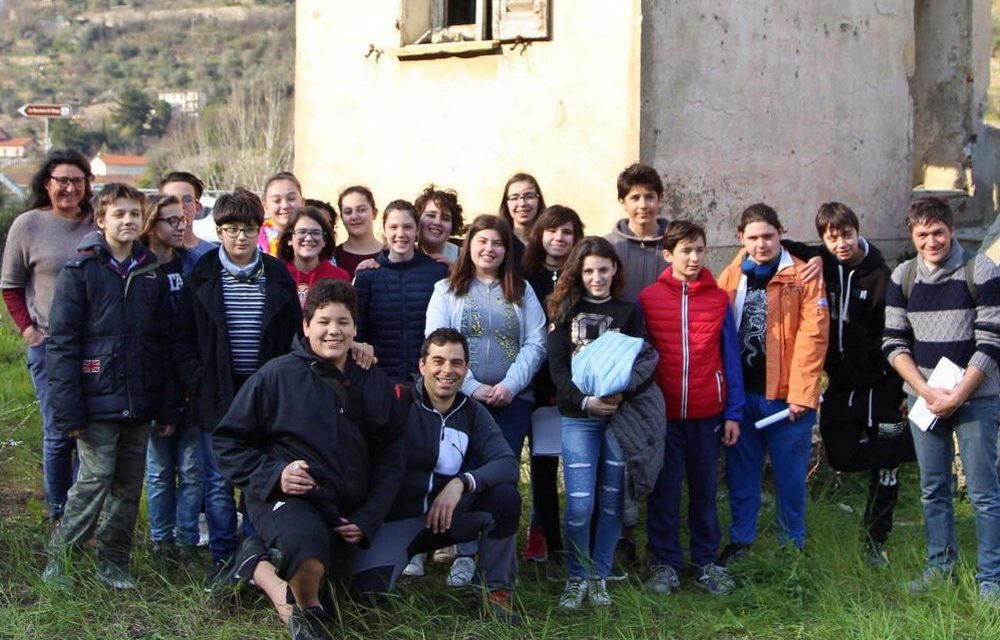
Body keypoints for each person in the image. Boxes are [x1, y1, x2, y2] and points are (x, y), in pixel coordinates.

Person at [213, 280, 405, 640]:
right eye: (323, 322)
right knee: (307, 557)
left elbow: (392, 455)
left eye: (343, 322)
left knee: (346, 590)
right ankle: (306, 617)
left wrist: (368, 517)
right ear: (306, 326)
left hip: (347, 508)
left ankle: (256, 564)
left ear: (355, 327)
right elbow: (227, 442)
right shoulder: (275, 376)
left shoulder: (373, 380)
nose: (334, 331)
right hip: (289, 497)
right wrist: (275, 474)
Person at [41, 183, 178, 589]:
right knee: (94, 477)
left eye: (134, 213)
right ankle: (63, 560)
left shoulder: (152, 273)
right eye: (119, 214)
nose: (128, 220)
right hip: (95, 396)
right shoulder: (80, 271)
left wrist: (167, 405)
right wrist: (68, 409)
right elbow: (62, 343)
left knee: (128, 485)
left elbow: (165, 344)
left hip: (140, 399)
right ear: (101, 220)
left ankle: (114, 561)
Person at [352, 328, 521, 623]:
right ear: (422, 365)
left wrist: (462, 482)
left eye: (456, 363)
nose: (447, 370)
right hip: (394, 520)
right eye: (438, 361)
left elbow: (507, 463)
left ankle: (495, 594)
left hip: (443, 518)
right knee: (363, 598)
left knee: (505, 499)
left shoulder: (471, 411)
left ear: (466, 369)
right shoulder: (398, 400)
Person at [175, 188, 302, 575]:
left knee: (259, 477)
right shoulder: (202, 273)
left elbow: (292, 333)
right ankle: (224, 556)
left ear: (259, 230)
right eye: (231, 229)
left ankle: (254, 555)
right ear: (219, 231)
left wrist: (281, 383)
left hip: (264, 392)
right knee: (218, 480)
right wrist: (199, 379)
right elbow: (183, 338)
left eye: (248, 229)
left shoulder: (276, 274)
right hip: (216, 390)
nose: (240, 238)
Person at [882, 196, 1000, 602]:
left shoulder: (979, 269)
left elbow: (991, 340)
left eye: (938, 232)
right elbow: (894, 342)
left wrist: (959, 394)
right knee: (933, 488)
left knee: (984, 492)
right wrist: (926, 391)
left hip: (976, 398)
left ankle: (991, 578)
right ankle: (940, 567)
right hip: (925, 398)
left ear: (951, 230)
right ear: (912, 235)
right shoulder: (903, 276)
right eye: (922, 234)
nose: (931, 241)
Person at [425, 214, 546, 587]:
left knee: (499, 478)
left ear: (507, 249)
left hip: (512, 401)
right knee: (461, 471)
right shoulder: (447, 289)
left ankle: (496, 561)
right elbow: (437, 341)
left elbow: (536, 341)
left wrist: (509, 385)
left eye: (497, 243)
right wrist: (472, 387)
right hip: (461, 399)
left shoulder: (522, 290)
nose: (489, 249)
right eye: (482, 241)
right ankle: (464, 553)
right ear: (469, 246)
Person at [546, 236, 663, 609]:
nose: (597, 278)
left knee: (612, 503)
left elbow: (642, 360)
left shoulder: (629, 312)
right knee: (580, 505)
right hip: (578, 418)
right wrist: (584, 401)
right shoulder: (565, 312)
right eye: (589, 271)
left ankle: (599, 575)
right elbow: (557, 368)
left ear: (615, 270)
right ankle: (576, 576)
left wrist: (620, 396)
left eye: (603, 270)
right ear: (578, 274)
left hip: (618, 419)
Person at [798, 202, 914, 567]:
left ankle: (875, 540)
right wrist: (814, 257)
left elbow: (901, 333)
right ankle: (910, 449)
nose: (841, 244)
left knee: (885, 473)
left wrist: (904, 387)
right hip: (842, 385)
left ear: (857, 231)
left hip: (883, 384)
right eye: (831, 238)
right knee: (841, 456)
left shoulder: (882, 276)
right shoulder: (824, 260)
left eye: (846, 235)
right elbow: (779, 245)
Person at [716, 203, 829, 563]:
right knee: (741, 475)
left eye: (768, 236)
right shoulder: (732, 275)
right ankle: (741, 542)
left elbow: (813, 338)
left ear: (781, 233)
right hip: (741, 397)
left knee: (789, 478)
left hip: (786, 400)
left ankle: (790, 547)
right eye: (752, 237)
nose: (761, 244)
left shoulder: (803, 275)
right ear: (740, 237)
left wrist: (802, 394)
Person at [638, 221, 744, 596]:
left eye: (699, 249)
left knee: (704, 491)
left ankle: (705, 563)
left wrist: (733, 412)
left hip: (707, 413)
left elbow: (731, 358)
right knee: (664, 491)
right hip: (663, 417)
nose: (694, 258)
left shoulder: (718, 299)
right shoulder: (649, 299)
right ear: (668, 255)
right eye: (686, 251)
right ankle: (665, 564)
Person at [1, 148, 95, 522]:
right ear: (47, 184)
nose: (70, 188)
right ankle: (59, 514)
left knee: (90, 432)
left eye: (77, 181)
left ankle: (82, 514)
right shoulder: (28, 225)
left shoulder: (98, 222)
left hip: (96, 345)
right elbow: (11, 285)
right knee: (58, 431)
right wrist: (28, 330)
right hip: (49, 345)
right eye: (62, 181)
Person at [518, 205, 585, 564]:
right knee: (542, 467)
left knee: (577, 464)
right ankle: (548, 537)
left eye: (567, 232)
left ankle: (580, 538)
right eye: (552, 231)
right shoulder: (524, 275)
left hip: (575, 385)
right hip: (534, 384)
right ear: (539, 235)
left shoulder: (583, 276)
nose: (559, 238)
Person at [139, 194, 205, 558]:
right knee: (160, 469)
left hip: (191, 380)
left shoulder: (193, 265)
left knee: (193, 469)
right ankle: (161, 540)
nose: (181, 226)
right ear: (151, 226)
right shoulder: (141, 269)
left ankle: (187, 539)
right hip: (155, 382)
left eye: (183, 219)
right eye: (171, 220)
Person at [354, 200, 449, 382]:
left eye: (407, 227)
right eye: (393, 227)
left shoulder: (437, 272)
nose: (400, 234)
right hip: (379, 379)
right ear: (384, 230)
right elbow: (358, 334)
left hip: (426, 379)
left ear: (417, 231)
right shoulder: (367, 276)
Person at [604, 163, 669, 304]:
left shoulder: (676, 244)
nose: (643, 205)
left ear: (660, 198)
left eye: (649, 197)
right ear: (623, 202)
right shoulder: (607, 246)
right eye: (635, 198)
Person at [278, 206, 350, 308]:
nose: (308, 238)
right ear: (289, 239)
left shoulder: (339, 277)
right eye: (301, 232)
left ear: (324, 241)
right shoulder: (276, 274)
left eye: (315, 233)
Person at [159, 170, 217, 266]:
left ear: (198, 207)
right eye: (171, 200)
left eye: (187, 200)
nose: (180, 206)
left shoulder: (213, 254)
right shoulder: (147, 255)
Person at [334, 185, 383, 278]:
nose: (354, 216)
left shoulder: (390, 255)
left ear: (374, 212)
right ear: (342, 217)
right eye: (348, 212)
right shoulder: (332, 258)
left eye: (361, 210)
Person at [498, 172, 546, 267]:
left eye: (529, 196)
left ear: (539, 200)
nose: (522, 203)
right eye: (514, 198)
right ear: (506, 203)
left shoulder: (549, 242)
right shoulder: (500, 241)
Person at [258, 171, 304, 257]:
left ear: (302, 202)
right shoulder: (255, 241)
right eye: (277, 200)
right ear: (265, 207)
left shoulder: (313, 238)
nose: (285, 205)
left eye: (291, 198)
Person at [414, 184, 464, 263]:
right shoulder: (403, 253)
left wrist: (455, 269)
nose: (437, 222)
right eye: (431, 215)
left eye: (445, 218)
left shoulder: (464, 258)